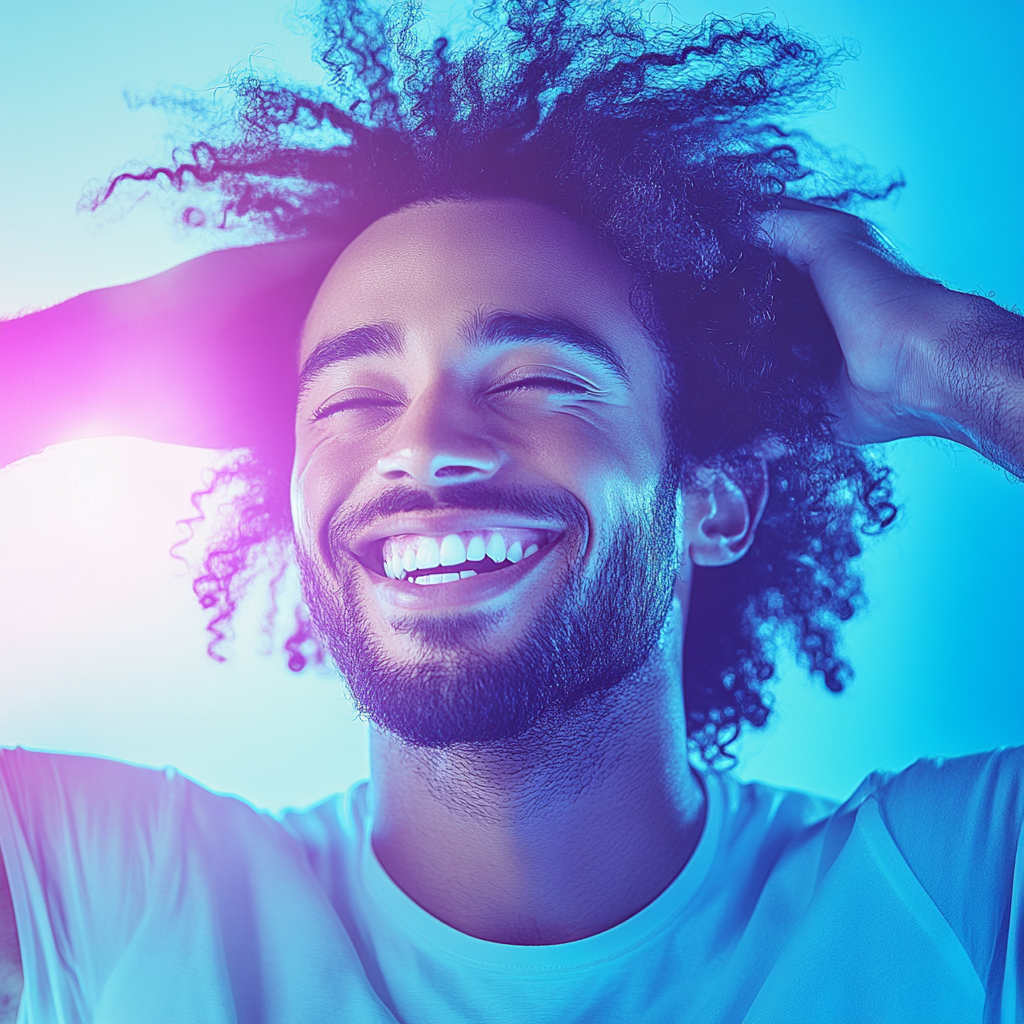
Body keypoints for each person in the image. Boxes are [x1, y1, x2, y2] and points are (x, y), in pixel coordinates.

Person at [0, 2, 1021, 1021]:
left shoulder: (959, 895)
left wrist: (945, 356)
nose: (421, 445)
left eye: (536, 378)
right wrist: (94, 354)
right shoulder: (100, 901)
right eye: (353, 400)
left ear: (714, 496)